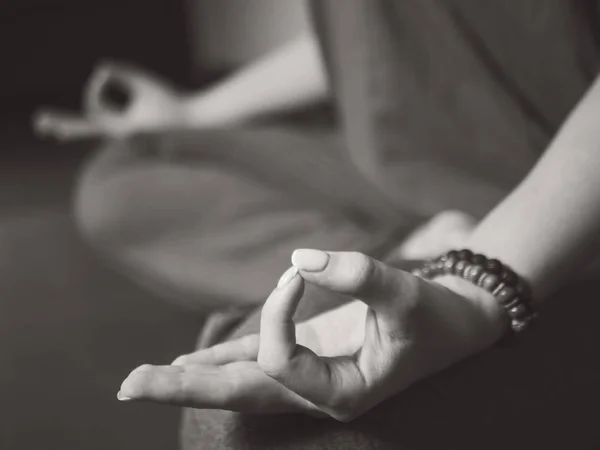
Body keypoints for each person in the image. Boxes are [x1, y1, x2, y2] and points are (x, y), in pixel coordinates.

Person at [35, 1, 600, 448]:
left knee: (239, 433)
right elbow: (371, 35)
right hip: (391, 161)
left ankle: (404, 269)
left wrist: (476, 287)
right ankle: (399, 251)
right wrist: (196, 112)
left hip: (553, 193)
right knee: (124, 180)